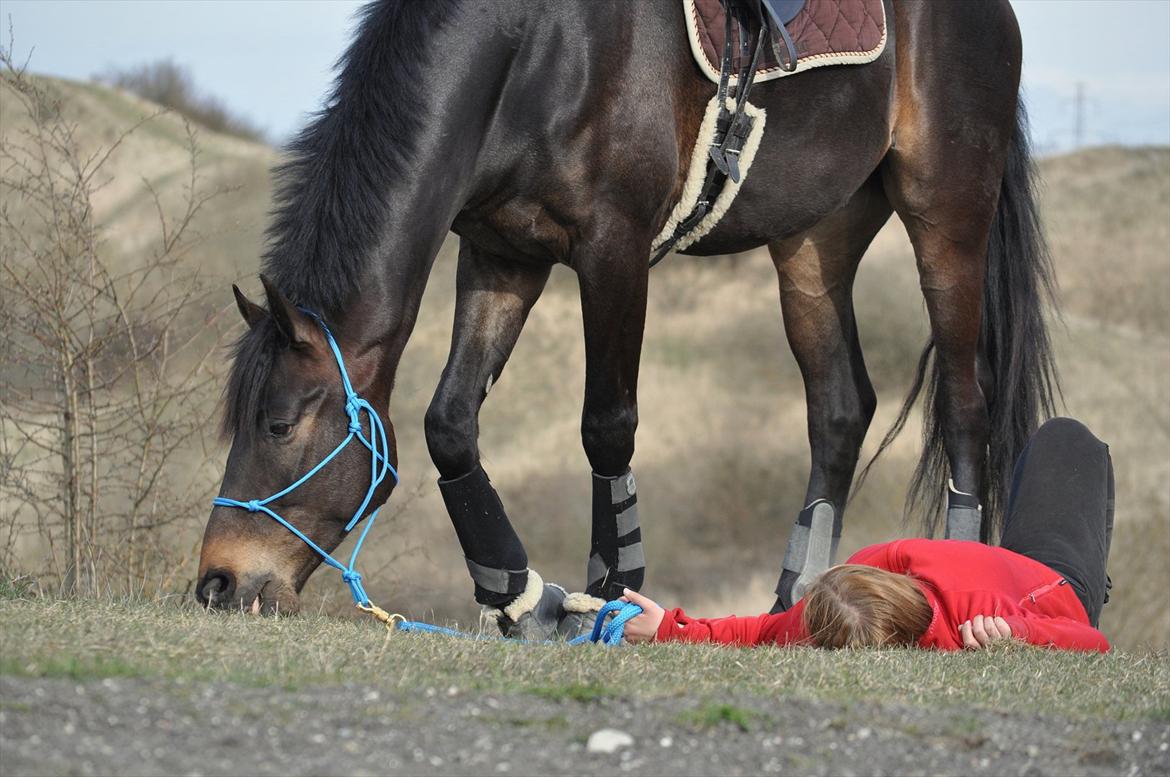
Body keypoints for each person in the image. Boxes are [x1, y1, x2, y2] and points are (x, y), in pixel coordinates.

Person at [618, 418, 1114, 652]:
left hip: (1022, 577)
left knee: (1061, 436)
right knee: (1067, 441)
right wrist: (669, 627)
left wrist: (1012, 627)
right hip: (1060, 589)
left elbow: (758, 632)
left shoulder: (966, 606)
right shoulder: (837, 611)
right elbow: (1091, 639)